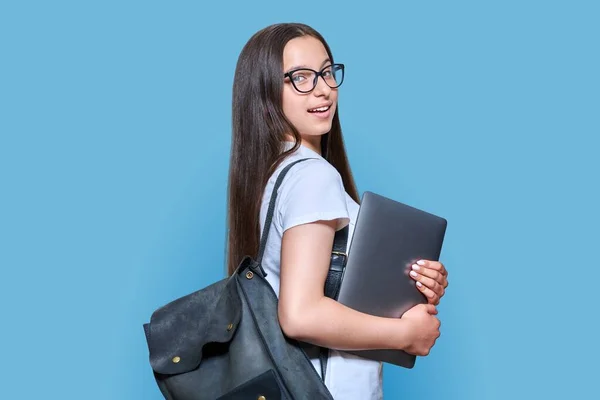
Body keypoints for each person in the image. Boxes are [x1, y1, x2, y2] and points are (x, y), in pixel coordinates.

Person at [226, 22, 449, 400]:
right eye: (300, 78)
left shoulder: (272, 174)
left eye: (327, 72)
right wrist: (406, 334)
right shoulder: (312, 176)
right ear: (265, 92)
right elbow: (300, 314)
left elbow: (334, 287)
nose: (323, 88)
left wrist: (413, 284)